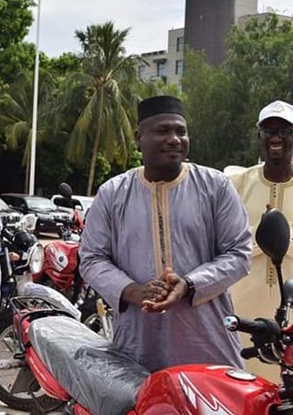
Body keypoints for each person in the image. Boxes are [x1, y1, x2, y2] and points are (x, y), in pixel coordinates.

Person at [79, 95, 252, 373]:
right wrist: (132, 291)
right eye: (163, 131)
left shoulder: (215, 187)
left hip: (207, 336)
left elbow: (240, 253)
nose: (174, 139)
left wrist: (189, 284)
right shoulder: (112, 194)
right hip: (137, 340)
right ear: (138, 137)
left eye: (180, 131)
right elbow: (91, 258)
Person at [228, 100, 293, 381]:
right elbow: (226, 240)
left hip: (288, 306)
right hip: (241, 305)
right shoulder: (237, 183)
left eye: (284, 130)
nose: (276, 137)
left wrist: (278, 236)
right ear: (259, 137)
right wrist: (260, 235)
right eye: (268, 130)